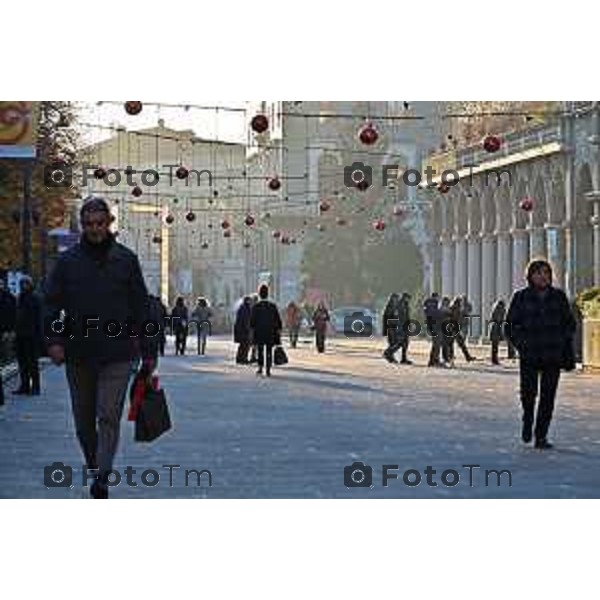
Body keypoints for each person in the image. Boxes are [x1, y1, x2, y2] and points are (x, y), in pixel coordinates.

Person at [44, 196, 155, 499]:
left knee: (108, 415)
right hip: (79, 352)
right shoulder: (68, 262)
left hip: (118, 353)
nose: (94, 229)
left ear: (109, 224)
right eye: (89, 224)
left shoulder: (126, 260)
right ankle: (96, 466)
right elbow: (52, 304)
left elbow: (141, 308)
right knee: (83, 421)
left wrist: (149, 351)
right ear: (82, 225)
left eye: (100, 223)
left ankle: (102, 477)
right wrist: (54, 340)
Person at [506, 259, 576, 450]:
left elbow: (570, 323)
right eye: (538, 273)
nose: (543, 276)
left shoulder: (559, 297)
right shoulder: (521, 297)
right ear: (530, 276)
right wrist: (521, 344)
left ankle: (541, 436)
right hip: (530, 354)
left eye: (546, 273)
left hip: (552, 355)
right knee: (528, 394)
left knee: (548, 397)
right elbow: (510, 325)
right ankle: (528, 418)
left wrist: (561, 340)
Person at [13, 276, 43, 396]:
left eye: (25, 283)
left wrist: (39, 335)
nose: (23, 286)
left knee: (32, 363)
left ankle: (35, 387)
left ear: (30, 284)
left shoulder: (35, 298)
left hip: (31, 335)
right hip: (21, 333)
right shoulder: (21, 297)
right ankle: (24, 385)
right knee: (22, 362)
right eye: (22, 284)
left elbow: (38, 318)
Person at [250, 285, 282, 377]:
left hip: (259, 332)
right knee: (269, 350)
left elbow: (252, 321)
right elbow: (278, 320)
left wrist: (252, 331)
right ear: (267, 294)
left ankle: (260, 368)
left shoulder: (256, 306)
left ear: (259, 294)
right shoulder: (272, 306)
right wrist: (278, 330)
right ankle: (268, 369)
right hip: (270, 332)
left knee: (260, 350)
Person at [0, 278, 16, 405]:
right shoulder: (9, 297)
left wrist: (9, 330)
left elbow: (11, 315)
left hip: (4, 331)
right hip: (5, 331)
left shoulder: (8, 298)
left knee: (5, 357)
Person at [234, 296, 253, 364]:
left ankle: (239, 358)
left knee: (242, 345)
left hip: (240, 330)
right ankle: (243, 359)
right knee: (245, 345)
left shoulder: (242, 308)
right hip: (244, 330)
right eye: (250, 301)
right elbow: (246, 320)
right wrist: (249, 329)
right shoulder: (246, 308)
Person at [489, 299, 507, 365]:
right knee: (495, 346)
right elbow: (499, 319)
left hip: (496, 328)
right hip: (496, 328)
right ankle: (494, 360)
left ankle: (494, 359)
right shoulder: (499, 310)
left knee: (495, 346)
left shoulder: (496, 309)